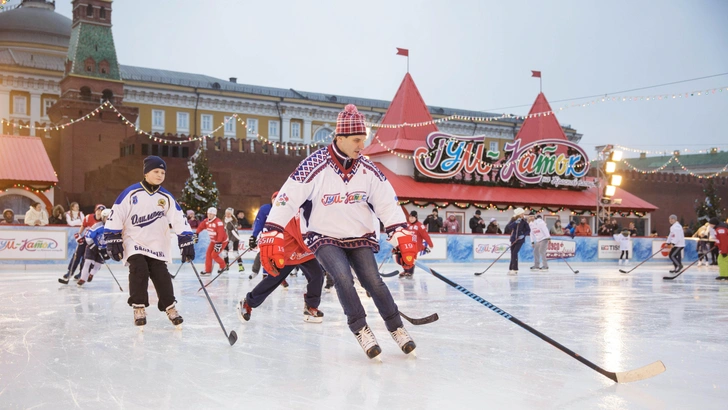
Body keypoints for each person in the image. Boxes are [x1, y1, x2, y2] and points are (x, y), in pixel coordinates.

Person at [256, 104, 419, 359]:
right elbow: (288, 197)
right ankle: (361, 328)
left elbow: (387, 203)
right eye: (356, 140)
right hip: (323, 237)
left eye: (363, 140)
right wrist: (272, 231)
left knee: (373, 281)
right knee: (342, 277)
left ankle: (396, 327)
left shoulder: (368, 169)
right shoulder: (314, 165)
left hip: (359, 235)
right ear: (340, 138)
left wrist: (401, 234)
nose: (361, 146)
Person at [104, 156, 195, 328]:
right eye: (156, 171)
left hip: (156, 243)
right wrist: (112, 236)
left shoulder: (166, 197)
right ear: (146, 173)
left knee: (161, 274)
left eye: (163, 172)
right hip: (134, 240)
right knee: (139, 269)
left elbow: (178, 218)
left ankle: (170, 307)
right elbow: (117, 213)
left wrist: (186, 239)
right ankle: (139, 307)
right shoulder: (131, 193)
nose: (160, 175)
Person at [238, 210, 325, 323]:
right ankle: (248, 303)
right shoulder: (295, 212)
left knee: (317, 275)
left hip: (305, 252)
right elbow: (301, 236)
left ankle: (311, 306)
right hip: (289, 253)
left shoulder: (314, 208)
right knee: (273, 279)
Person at [61, 204, 105, 282]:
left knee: (87, 258)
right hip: (85, 239)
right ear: (95, 211)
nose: (99, 212)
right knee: (77, 254)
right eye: (98, 210)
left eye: (101, 211)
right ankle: (70, 272)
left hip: (94, 242)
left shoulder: (104, 221)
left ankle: (82, 273)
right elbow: (83, 225)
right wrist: (79, 234)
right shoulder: (88, 217)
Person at [73, 209, 112, 286]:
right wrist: (92, 245)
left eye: (109, 217)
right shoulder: (97, 226)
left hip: (103, 249)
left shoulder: (113, 228)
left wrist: (110, 249)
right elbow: (88, 235)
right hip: (92, 246)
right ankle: (82, 279)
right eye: (106, 217)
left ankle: (91, 274)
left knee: (98, 264)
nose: (108, 219)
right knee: (87, 262)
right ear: (103, 218)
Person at [398, 210, 433, 278]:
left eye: (412, 218)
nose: (411, 219)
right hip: (407, 245)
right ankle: (405, 270)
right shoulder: (406, 224)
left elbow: (426, 236)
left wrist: (430, 244)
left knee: (411, 258)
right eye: (410, 217)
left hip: (415, 246)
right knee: (404, 257)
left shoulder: (420, 226)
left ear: (416, 218)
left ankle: (410, 272)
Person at [195, 207, 228, 275]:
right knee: (208, 254)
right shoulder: (206, 221)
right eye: (208, 214)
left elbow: (220, 233)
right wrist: (196, 233)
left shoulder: (218, 222)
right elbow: (201, 226)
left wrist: (219, 243)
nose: (209, 215)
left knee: (214, 255)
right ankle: (208, 270)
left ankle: (223, 266)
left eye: (211, 214)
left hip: (222, 241)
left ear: (214, 215)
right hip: (213, 241)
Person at [505, 208, 529, 275]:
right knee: (512, 253)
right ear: (518, 214)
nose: (523, 215)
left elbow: (528, 230)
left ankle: (515, 269)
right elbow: (509, 227)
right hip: (513, 239)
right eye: (522, 213)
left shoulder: (524, 221)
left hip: (520, 240)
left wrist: (523, 235)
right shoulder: (513, 219)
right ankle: (511, 268)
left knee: (515, 252)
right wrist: (515, 223)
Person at [223, 207, 245, 272]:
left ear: (231, 214)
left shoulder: (234, 221)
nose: (227, 215)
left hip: (235, 238)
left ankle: (241, 266)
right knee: (225, 252)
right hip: (226, 239)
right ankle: (226, 265)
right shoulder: (223, 220)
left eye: (229, 214)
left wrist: (231, 241)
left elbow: (234, 232)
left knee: (235, 253)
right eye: (227, 213)